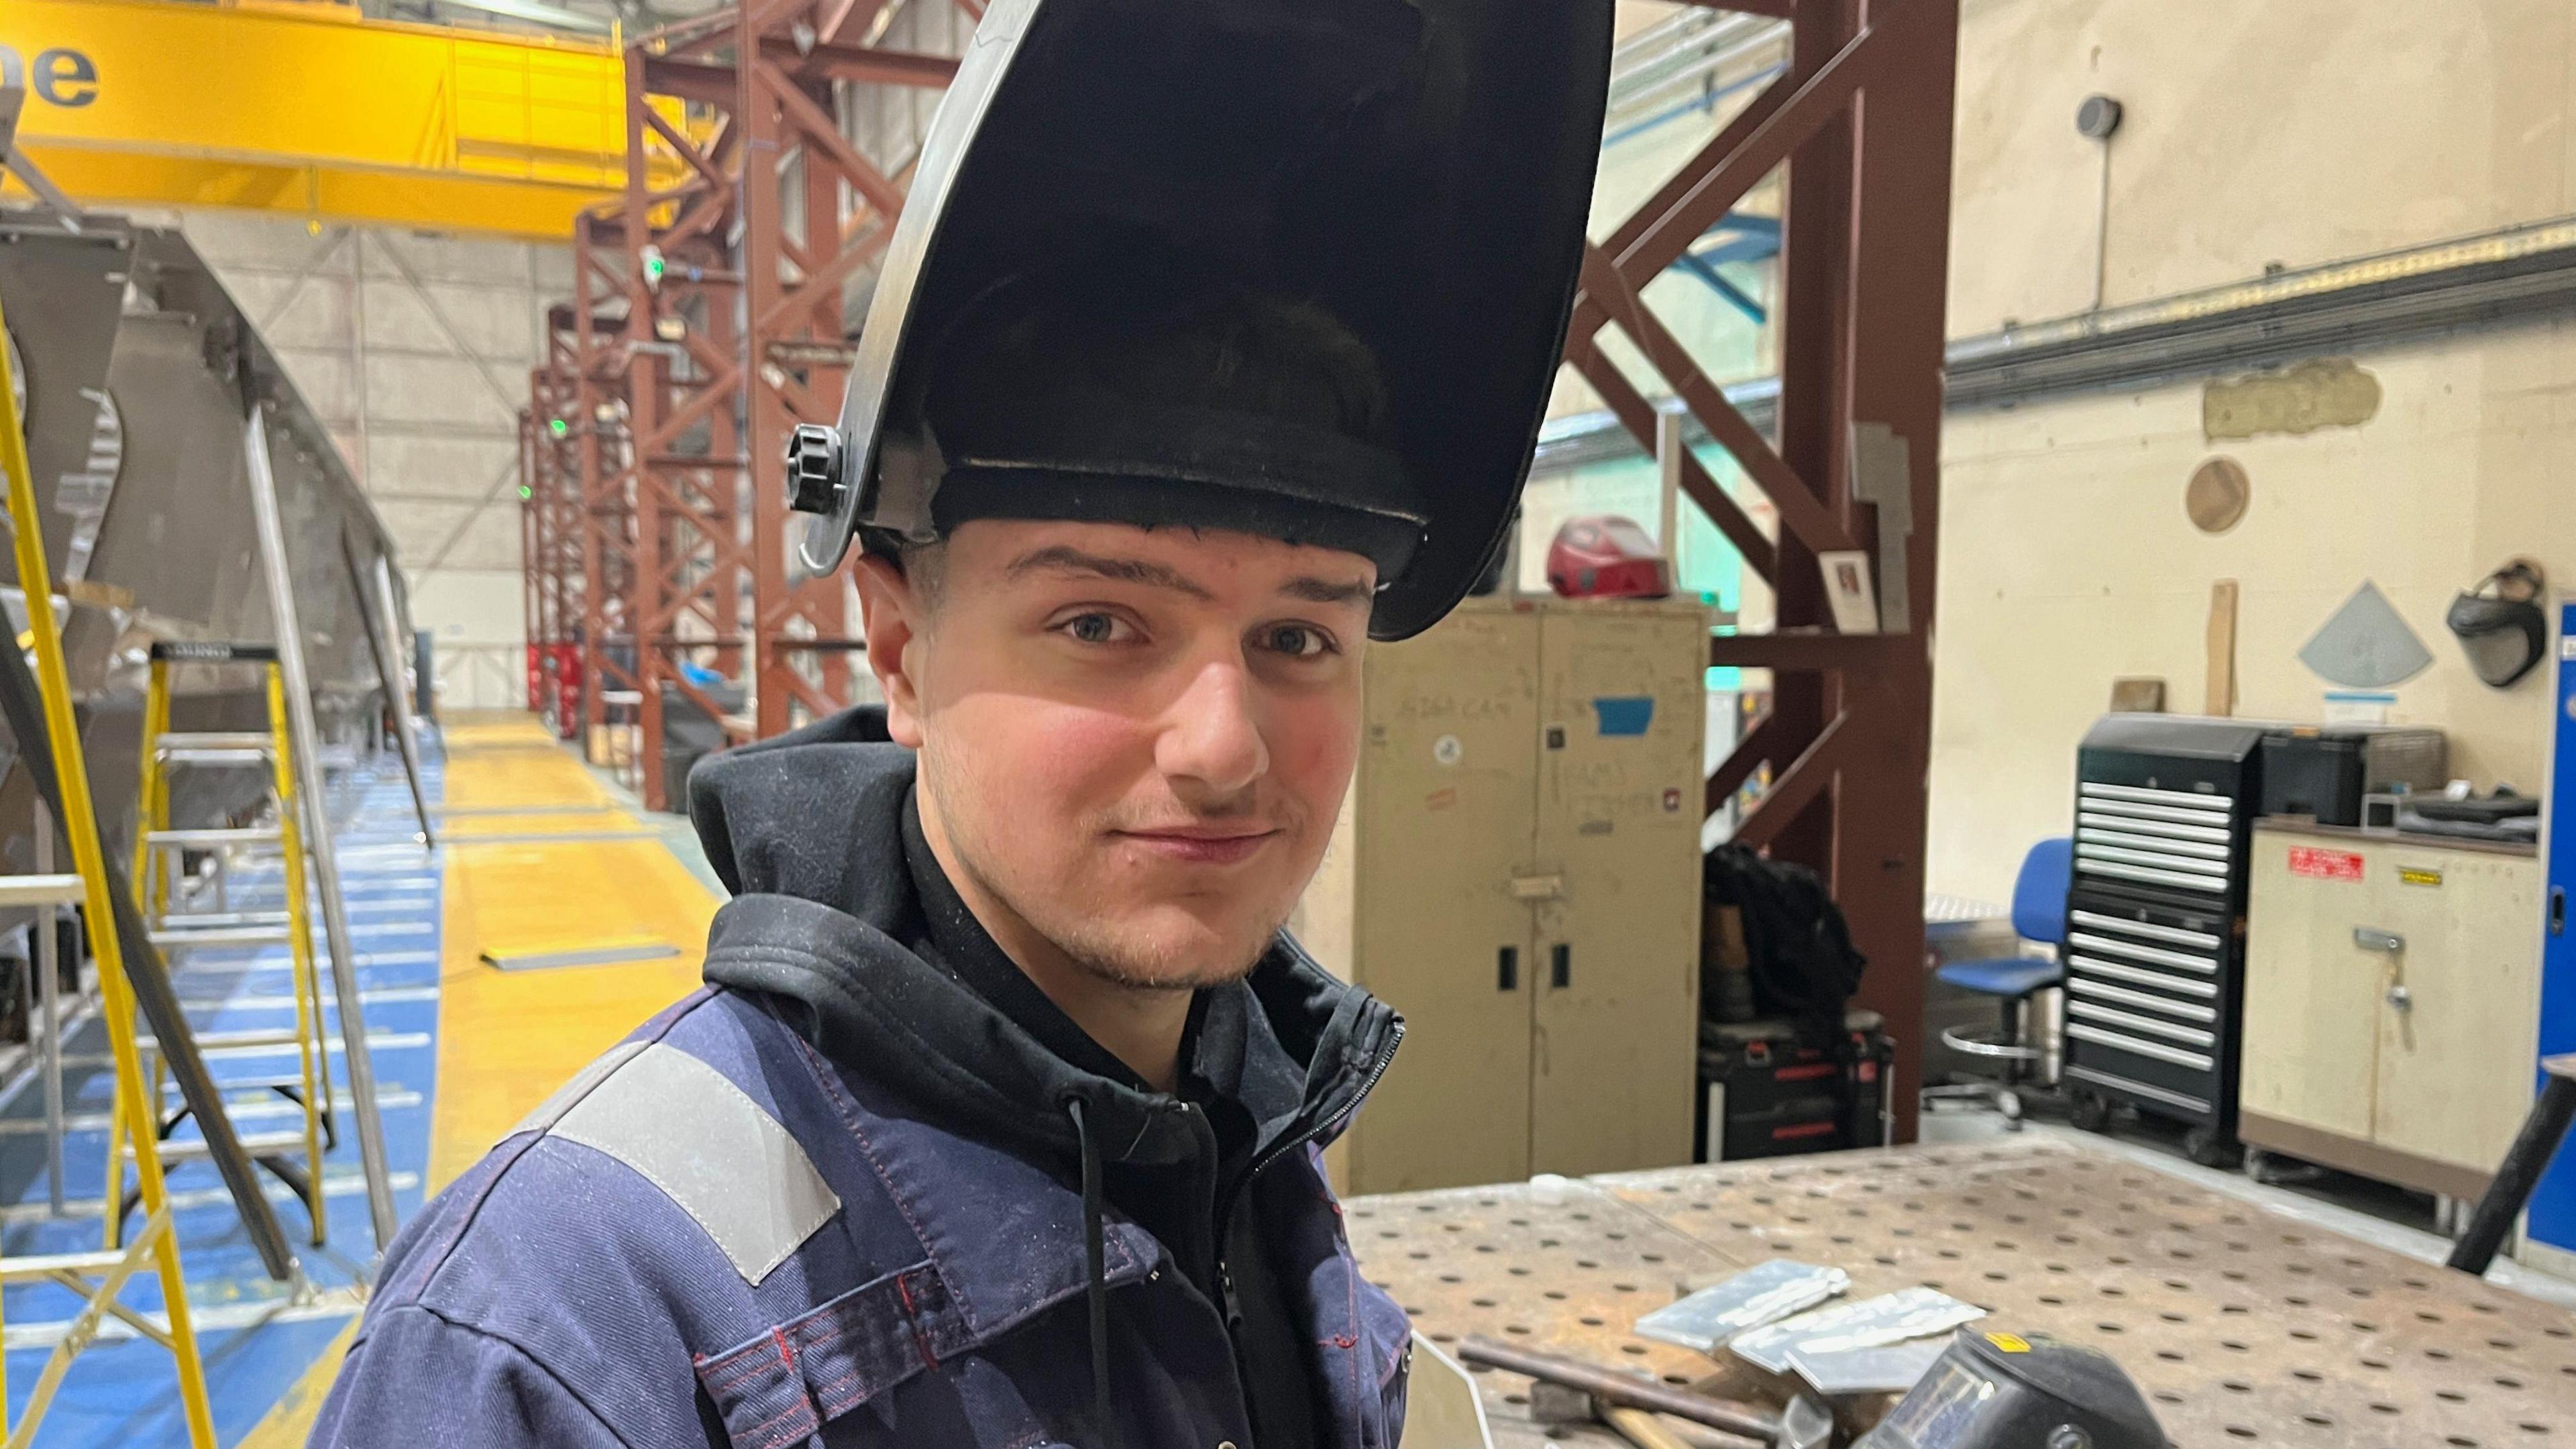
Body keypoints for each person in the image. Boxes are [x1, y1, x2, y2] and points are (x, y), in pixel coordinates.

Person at [312, 1, 1611, 1444]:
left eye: (1298, 637)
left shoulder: (1237, 1131)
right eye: (1103, 625)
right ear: (899, 650)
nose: (1224, 747)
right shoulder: (569, 1324)